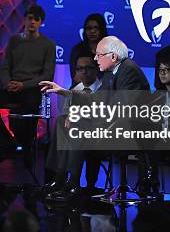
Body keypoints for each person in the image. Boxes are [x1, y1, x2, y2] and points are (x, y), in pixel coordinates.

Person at [40, 36, 150, 198]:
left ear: (113, 57)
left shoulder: (128, 70)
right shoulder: (110, 73)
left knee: (78, 125)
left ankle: (73, 184)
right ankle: (59, 179)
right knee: (62, 120)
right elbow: (95, 99)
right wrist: (64, 91)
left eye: (99, 55)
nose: (95, 58)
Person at [0, 5, 56, 166]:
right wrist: (8, 83)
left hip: (31, 88)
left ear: (41, 22)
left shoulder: (48, 45)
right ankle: (5, 140)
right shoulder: (14, 41)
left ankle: (25, 145)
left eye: (36, 19)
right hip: (12, 86)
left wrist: (24, 85)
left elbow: (47, 75)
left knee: (29, 103)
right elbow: (5, 66)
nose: (32, 22)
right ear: (24, 20)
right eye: (30, 18)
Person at [44, 53, 103, 200]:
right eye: (80, 68)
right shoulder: (76, 88)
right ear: (76, 71)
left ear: (96, 69)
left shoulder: (103, 87)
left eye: (88, 67)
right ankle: (62, 180)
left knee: (74, 128)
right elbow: (66, 115)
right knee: (61, 122)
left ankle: (67, 180)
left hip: (98, 134)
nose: (84, 72)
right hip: (75, 135)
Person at [69, 14, 108, 85]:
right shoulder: (77, 49)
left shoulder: (110, 49)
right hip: (82, 88)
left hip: (105, 90)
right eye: (89, 28)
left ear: (102, 29)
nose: (92, 31)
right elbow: (75, 77)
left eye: (96, 28)